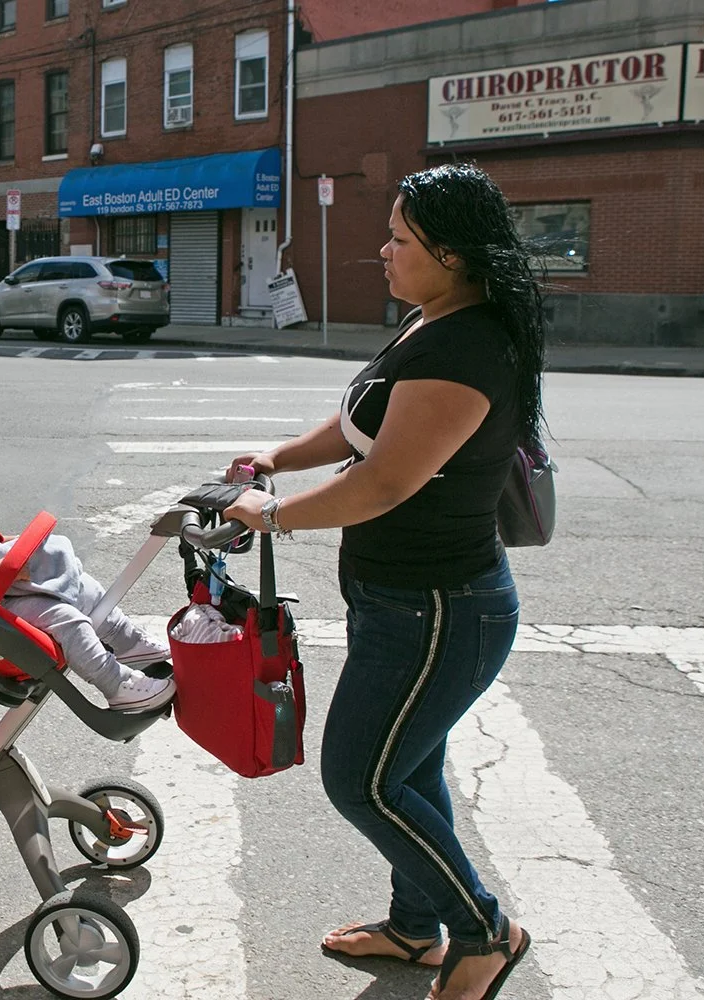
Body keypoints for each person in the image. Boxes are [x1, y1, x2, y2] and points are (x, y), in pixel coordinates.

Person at [221, 163, 536, 1000]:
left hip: (438, 609)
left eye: (402, 239)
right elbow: (366, 417)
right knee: (412, 767)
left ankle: (481, 933)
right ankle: (414, 928)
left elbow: (384, 481)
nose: (384, 250)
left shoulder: (465, 350)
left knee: (360, 778)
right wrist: (279, 456)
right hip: (404, 599)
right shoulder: (432, 322)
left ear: (456, 256)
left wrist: (272, 515)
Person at [0, 447, 176, 713]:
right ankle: (116, 685)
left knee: (86, 587)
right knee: (66, 618)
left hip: (11, 589)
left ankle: (125, 640)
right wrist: (3, 570)